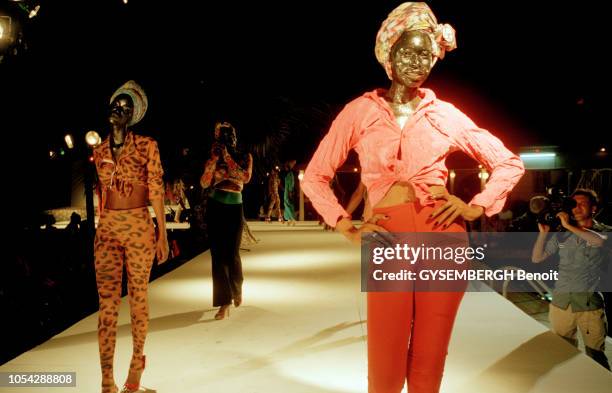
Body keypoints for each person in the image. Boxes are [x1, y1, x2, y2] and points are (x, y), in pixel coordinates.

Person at [301, 3, 525, 392]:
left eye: (426, 53)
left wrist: (475, 205)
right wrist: (346, 226)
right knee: (385, 360)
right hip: (389, 236)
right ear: (389, 54)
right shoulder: (360, 112)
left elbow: (508, 163)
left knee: (430, 359)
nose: (417, 61)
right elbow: (316, 176)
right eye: (408, 51)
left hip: (444, 236)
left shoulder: (447, 114)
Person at [92, 80, 169, 393]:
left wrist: (162, 234)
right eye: (115, 103)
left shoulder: (147, 145)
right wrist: (100, 224)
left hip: (138, 225)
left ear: (133, 114)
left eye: (125, 106)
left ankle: (136, 369)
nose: (117, 108)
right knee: (107, 304)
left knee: (138, 298)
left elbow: (156, 189)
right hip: (108, 228)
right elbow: (100, 191)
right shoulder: (98, 150)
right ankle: (107, 381)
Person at [532, 189, 611, 370]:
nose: (576, 208)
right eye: (573, 204)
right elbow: (537, 258)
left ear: (594, 208)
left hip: (589, 304)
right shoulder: (562, 234)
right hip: (561, 302)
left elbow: (599, 242)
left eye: (582, 203)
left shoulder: (603, 231)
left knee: (595, 356)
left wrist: (568, 226)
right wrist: (543, 234)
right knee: (562, 353)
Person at [201, 121, 253, 320]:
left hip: (234, 208)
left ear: (234, 137)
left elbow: (245, 177)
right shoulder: (213, 157)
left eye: (226, 135)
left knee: (232, 254)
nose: (223, 140)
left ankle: (236, 289)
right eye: (220, 136)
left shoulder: (244, 156)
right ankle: (224, 302)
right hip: (216, 206)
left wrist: (227, 158)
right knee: (218, 256)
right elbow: (205, 182)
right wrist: (214, 160)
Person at [283, 160, 297, 225]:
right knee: (287, 204)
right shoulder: (288, 174)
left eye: (286, 167)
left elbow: (292, 183)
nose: (285, 168)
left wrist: (290, 191)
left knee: (288, 204)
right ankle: (289, 219)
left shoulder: (290, 174)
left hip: (288, 191)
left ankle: (292, 218)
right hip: (287, 191)